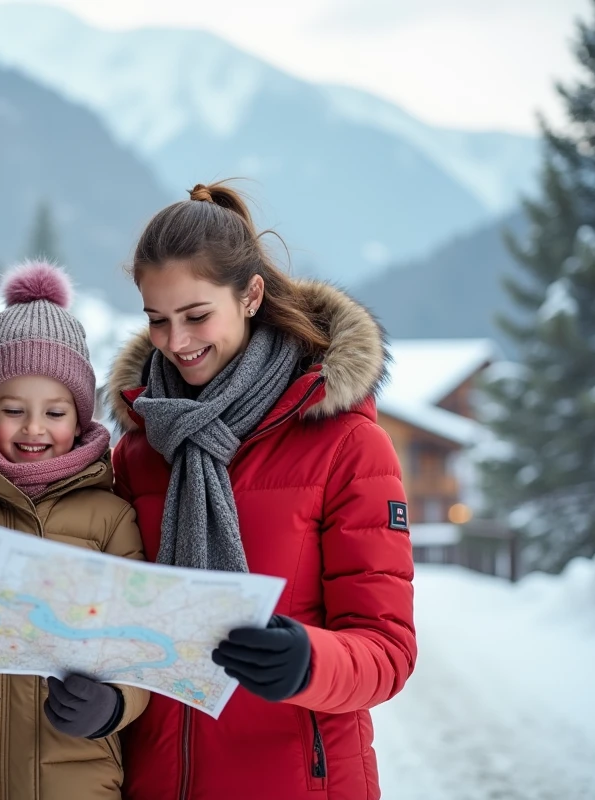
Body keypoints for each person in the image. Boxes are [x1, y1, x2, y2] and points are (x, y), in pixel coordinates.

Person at [108, 182, 417, 800]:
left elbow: (388, 650)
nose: (177, 341)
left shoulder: (347, 447)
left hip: (296, 780)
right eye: (157, 320)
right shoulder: (140, 450)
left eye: (197, 316)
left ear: (250, 296)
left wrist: (308, 661)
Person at [0, 261, 149, 800]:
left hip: (79, 775)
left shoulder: (111, 517)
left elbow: (141, 645)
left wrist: (113, 705)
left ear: (82, 415)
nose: (34, 428)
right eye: (13, 409)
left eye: (55, 411)